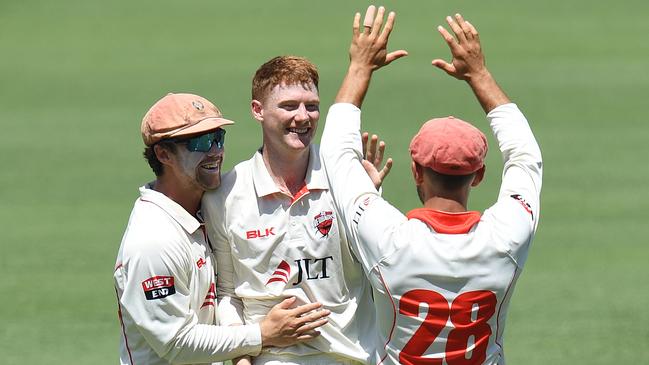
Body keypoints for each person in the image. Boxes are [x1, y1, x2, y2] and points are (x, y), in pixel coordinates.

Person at [321, 12, 543, 365]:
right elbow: (525, 156)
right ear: (479, 175)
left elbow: (336, 153)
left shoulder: (389, 239)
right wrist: (478, 74)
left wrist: (359, 67)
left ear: (416, 172)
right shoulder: (507, 237)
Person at [201, 7, 402, 364]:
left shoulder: (344, 179)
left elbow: (384, 269)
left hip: (351, 357)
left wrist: (369, 200)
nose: (302, 117)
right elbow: (228, 294)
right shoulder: (225, 195)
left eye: (312, 106)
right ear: (257, 110)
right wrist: (240, 355)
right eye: (289, 106)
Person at [113, 93, 330, 365]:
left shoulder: (205, 211)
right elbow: (175, 344)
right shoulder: (153, 241)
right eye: (201, 142)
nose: (215, 151)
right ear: (163, 153)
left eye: (218, 138)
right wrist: (262, 334)